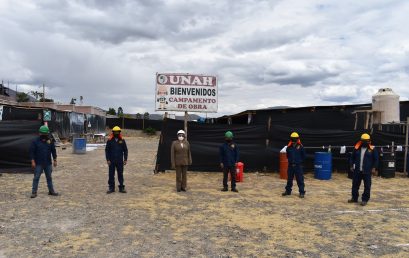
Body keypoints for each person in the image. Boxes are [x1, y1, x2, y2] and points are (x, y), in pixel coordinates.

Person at [348, 133, 379, 206]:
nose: (365, 142)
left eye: (367, 141)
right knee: (355, 185)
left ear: (369, 141)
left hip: (367, 171)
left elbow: (376, 159)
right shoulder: (356, 148)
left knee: (367, 186)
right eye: (363, 141)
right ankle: (354, 198)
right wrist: (351, 165)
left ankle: (365, 200)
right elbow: (352, 157)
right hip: (357, 170)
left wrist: (374, 168)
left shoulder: (372, 149)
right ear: (361, 141)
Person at [29, 125, 58, 198]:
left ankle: (51, 191)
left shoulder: (50, 141)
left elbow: (53, 151)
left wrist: (55, 160)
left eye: (46, 134)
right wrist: (32, 161)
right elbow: (31, 152)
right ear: (40, 133)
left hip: (48, 163)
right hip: (38, 163)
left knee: (49, 177)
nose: (45, 135)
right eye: (43, 134)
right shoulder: (35, 141)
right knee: (36, 178)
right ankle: (34, 192)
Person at [282, 132, 306, 198]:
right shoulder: (289, 147)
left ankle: (301, 192)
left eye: (295, 139)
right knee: (289, 179)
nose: (294, 140)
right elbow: (287, 156)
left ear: (297, 139)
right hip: (290, 166)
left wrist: (299, 162)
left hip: (298, 166)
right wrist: (291, 161)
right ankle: (288, 191)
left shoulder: (300, 147)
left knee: (300, 179)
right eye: (293, 138)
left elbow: (304, 156)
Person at [105, 126, 128, 194]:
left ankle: (121, 187)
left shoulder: (122, 140)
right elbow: (107, 150)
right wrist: (108, 159)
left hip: (120, 161)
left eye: (118, 132)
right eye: (115, 132)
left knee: (120, 174)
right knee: (111, 174)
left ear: (119, 132)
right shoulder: (109, 140)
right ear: (113, 132)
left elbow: (125, 150)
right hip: (111, 161)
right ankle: (111, 188)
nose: (116, 133)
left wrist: (125, 159)